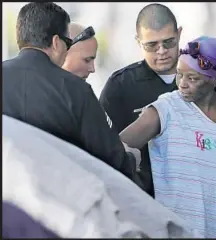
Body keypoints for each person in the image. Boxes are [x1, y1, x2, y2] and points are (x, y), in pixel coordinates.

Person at [99, 3, 216, 206]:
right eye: (152, 45)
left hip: (212, 204)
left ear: (179, 34)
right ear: (138, 41)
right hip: (150, 205)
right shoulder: (120, 87)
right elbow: (106, 149)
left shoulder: (210, 78)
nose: (162, 51)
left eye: (168, 42)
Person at [119, 36, 216, 238]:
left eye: (193, 78)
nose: (182, 84)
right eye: (179, 75)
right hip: (174, 232)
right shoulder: (165, 109)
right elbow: (115, 148)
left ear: (213, 79)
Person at [2, 2, 137, 181]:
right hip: (58, 202)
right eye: (68, 43)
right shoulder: (76, 90)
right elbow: (114, 162)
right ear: (57, 42)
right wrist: (132, 158)